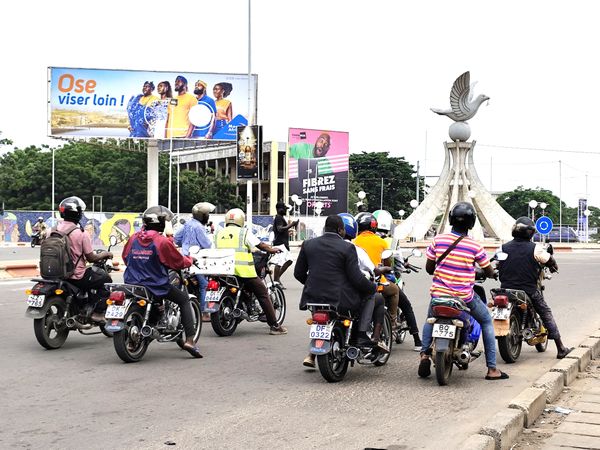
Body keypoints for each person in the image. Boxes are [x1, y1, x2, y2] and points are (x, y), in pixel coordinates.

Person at [419, 202, 508, 381]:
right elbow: (488, 270)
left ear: (451, 219)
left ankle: (424, 355)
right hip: (464, 297)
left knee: (430, 319)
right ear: (472, 223)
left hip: (439, 295)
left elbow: (429, 268)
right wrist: (491, 272)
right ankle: (492, 369)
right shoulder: (475, 247)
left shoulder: (438, 240)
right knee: (486, 321)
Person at [295, 215, 377, 366]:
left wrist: (312, 284)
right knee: (371, 295)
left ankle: (314, 353)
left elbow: (298, 273)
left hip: (313, 298)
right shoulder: (347, 247)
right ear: (341, 230)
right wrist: (371, 287)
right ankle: (361, 334)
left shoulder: (308, 244)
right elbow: (356, 278)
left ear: (325, 229)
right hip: (339, 299)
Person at [122, 205, 202, 358]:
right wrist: (190, 260)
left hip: (132, 282)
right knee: (184, 299)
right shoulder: (161, 241)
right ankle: (190, 341)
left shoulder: (133, 238)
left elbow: (126, 257)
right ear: (160, 223)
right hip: (155, 284)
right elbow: (177, 262)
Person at [498, 217, 573, 359]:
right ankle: (561, 348)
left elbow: (496, 263)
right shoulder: (535, 248)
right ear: (531, 233)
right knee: (545, 312)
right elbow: (549, 259)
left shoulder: (503, 247)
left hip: (506, 290)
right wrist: (553, 265)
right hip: (528, 290)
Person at [215, 208, 288, 335]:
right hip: (243, 272)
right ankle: (275, 326)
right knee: (263, 293)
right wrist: (271, 249)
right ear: (241, 220)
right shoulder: (243, 232)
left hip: (223, 272)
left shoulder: (218, 233)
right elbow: (260, 245)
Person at [370, 210, 423, 351]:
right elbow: (397, 262)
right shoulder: (391, 241)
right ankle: (417, 340)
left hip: (367, 280)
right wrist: (400, 267)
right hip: (385, 279)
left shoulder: (360, 239)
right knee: (406, 306)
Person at [56, 196, 113, 322]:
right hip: (75, 275)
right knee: (105, 279)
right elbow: (91, 258)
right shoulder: (81, 233)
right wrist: (105, 254)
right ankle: (97, 312)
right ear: (78, 214)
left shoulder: (52, 230)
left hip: (55, 273)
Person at [174, 202, 215, 322]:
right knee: (204, 285)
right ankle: (204, 313)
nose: (208, 216)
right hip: (195, 259)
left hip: (184, 257)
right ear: (202, 216)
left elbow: (177, 238)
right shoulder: (199, 227)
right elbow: (206, 244)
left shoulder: (188, 224)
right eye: (207, 214)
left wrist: (185, 244)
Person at [271, 202, 298, 288]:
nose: (286, 210)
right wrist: (291, 225)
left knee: (289, 261)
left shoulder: (281, 218)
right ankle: (276, 281)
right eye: (285, 209)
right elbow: (279, 229)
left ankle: (277, 278)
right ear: (280, 209)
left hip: (284, 243)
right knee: (279, 262)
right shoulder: (279, 217)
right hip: (280, 244)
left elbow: (281, 230)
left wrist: (287, 232)